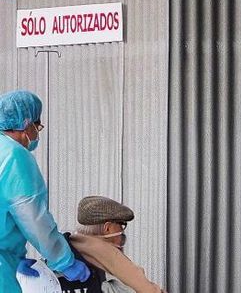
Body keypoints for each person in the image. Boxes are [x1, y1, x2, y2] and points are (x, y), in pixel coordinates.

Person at [0, 90, 91, 292]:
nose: (36, 134)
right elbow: (34, 220)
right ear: (26, 124)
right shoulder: (14, 156)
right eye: (37, 127)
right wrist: (64, 261)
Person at [59, 195, 164, 292]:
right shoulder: (112, 260)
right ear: (108, 228)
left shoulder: (58, 255)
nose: (122, 232)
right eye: (121, 225)